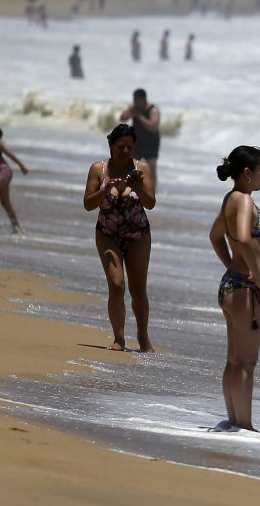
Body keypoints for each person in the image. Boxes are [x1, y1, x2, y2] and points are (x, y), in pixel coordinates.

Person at [208, 146, 260, 431]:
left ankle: (234, 420)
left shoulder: (229, 199)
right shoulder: (244, 200)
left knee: (234, 360)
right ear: (247, 173)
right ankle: (244, 425)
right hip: (244, 288)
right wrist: (257, 276)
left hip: (231, 285)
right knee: (246, 363)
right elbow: (244, 239)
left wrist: (230, 265)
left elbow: (216, 235)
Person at [83, 124, 157, 352]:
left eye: (130, 147)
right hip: (107, 234)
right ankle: (119, 339)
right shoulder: (99, 169)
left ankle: (143, 338)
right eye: (120, 147)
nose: (125, 151)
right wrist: (105, 191)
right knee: (116, 285)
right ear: (111, 146)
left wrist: (138, 187)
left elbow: (150, 203)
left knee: (137, 290)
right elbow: (88, 204)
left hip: (138, 236)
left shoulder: (141, 168)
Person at [119, 88, 160, 190]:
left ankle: (152, 193)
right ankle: (130, 191)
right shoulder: (134, 108)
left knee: (151, 169)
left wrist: (139, 116)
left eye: (137, 100)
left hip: (151, 143)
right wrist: (129, 112)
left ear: (143, 99)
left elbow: (153, 126)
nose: (135, 102)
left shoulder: (153, 110)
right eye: (134, 100)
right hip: (137, 141)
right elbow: (122, 118)